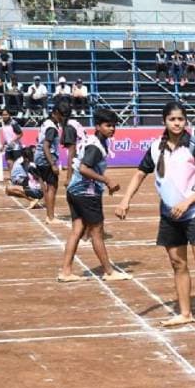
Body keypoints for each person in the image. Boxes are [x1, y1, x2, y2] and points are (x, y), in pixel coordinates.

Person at [116, 101, 195, 331]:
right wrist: (125, 200)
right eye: (172, 119)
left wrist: (186, 202)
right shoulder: (156, 146)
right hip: (169, 215)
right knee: (178, 264)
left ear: (186, 121)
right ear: (164, 121)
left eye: (180, 119)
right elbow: (140, 174)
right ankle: (185, 312)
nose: (177, 123)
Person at [58, 109, 133, 283]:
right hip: (85, 193)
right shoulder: (95, 146)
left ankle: (66, 271)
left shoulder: (94, 141)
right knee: (97, 231)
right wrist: (106, 180)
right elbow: (84, 168)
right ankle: (108, 271)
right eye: (108, 125)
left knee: (77, 231)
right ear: (98, 126)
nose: (112, 129)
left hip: (75, 190)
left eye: (114, 126)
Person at [33, 100, 67, 224]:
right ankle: (50, 217)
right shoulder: (52, 128)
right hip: (46, 160)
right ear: (56, 113)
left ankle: (50, 215)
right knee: (52, 188)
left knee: (47, 188)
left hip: (39, 158)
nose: (63, 118)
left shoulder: (45, 123)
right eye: (62, 115)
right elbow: (46, 146)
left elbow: (39, 139)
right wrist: (53, 164)